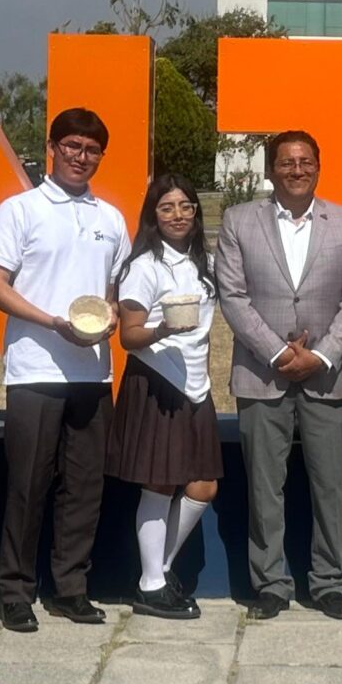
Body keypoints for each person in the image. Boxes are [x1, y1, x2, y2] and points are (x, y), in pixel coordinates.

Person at [212, 131, 342, 619]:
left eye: (305, 162)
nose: (296, 170)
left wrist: (319, 357)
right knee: (264, 485)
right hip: (262, 374)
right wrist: (281, 353)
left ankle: (329, 583)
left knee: (330, 484)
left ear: (318, 166)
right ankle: (271, 584)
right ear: (271, 168)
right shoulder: (239, 220)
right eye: (286, 162)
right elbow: (232, 297)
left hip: (328, 374)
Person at [0, 109, 130, 633]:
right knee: (27, 484)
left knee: (84, 488)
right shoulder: (20, 210)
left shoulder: (110, 218)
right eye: (71, 145)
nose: (80, 156)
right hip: (35, 370)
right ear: (52, 146)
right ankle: (15, 592)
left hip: (92, 373)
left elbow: (112, 288)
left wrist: (111, 316)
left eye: (91, 149)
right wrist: (50, 321)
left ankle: (71, 588)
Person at [108, 174, 218, 620]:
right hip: (156, 381)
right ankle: (153, 584)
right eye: (167, 207)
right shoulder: (144, 266)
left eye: (186, 206)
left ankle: (157, 573)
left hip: (196, 386)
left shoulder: (201, 260)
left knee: (203, 485)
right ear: (153, 215)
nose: (178, 215)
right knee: (159, 484)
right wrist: (164, 329)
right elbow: (129, 336)